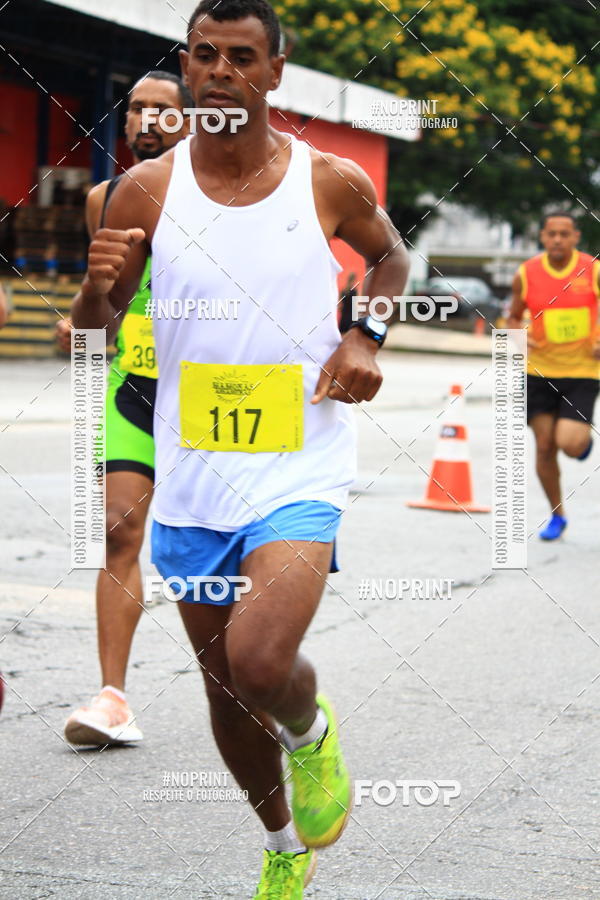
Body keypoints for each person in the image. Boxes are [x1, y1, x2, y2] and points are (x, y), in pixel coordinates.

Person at [72, 0, 409, 894]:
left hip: (300, 458)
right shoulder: (140, 190)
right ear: (187, 65)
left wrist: (365, 336)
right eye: (205, 55)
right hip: (191, 471)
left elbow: (391, 255)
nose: (221, 70)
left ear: (273, 72)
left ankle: (311, 731)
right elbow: (97, 333)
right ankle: (283, 847)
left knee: (262, 664)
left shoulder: (329, 180)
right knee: (225, 689)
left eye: (241, 57)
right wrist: (92, 293)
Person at [63, 71, 191, 746]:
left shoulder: (223, 199)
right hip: (134, 386)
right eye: (136, 108)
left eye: (162, 110)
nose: (145, 119)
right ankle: (113, 697)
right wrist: (86, 317)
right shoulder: (102, 199)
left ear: (194, 119)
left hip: (214, 396)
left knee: (214, 553)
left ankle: (257, 684)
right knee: (118, 532)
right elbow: (102, 318)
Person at [508, 211, 600, 540]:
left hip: (582, 371)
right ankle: (557, 515)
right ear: (543, 237)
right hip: (538, 371)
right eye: (551, 234)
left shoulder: (593, 268)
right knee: (545, 447)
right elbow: (512, 317)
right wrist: (519, 333)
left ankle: (582, 444)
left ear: (576, 236)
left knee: (569, 444)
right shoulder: (527, 273)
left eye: (564, 233)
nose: (558, 239)